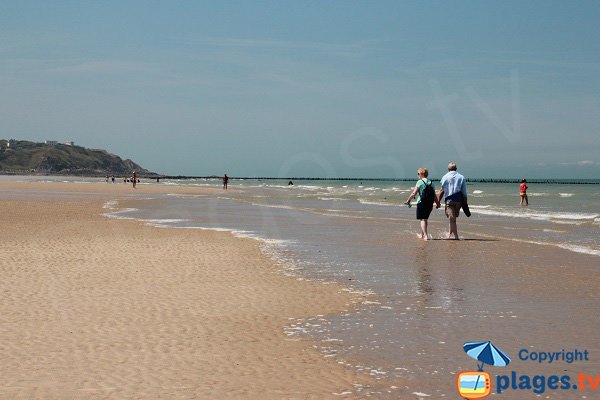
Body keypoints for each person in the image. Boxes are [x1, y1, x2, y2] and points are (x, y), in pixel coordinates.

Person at [404, 167, 440, 240]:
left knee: (422, 219)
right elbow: (434, 195)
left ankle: (426, 236)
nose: (417, 175)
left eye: (418, 173)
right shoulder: (431, 183)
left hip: (422, 203)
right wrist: (437, 203)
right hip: (430, 204)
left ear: (421, 174)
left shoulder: (420, 182)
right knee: (425, 219)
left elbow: (414, 193)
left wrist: (408, 200)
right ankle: (422, 235)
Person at [438, 162, 467, 240]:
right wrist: (465, 202)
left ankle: (456, 236)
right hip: (458, 200)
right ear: (456, 169)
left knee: (452, 218)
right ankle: (449, 234)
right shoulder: (461, 177)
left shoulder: (445, 177)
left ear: (448, 169)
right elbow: (464, 192)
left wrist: (438, 201)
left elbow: (442, 191)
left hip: (449, 200)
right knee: (453, 218)